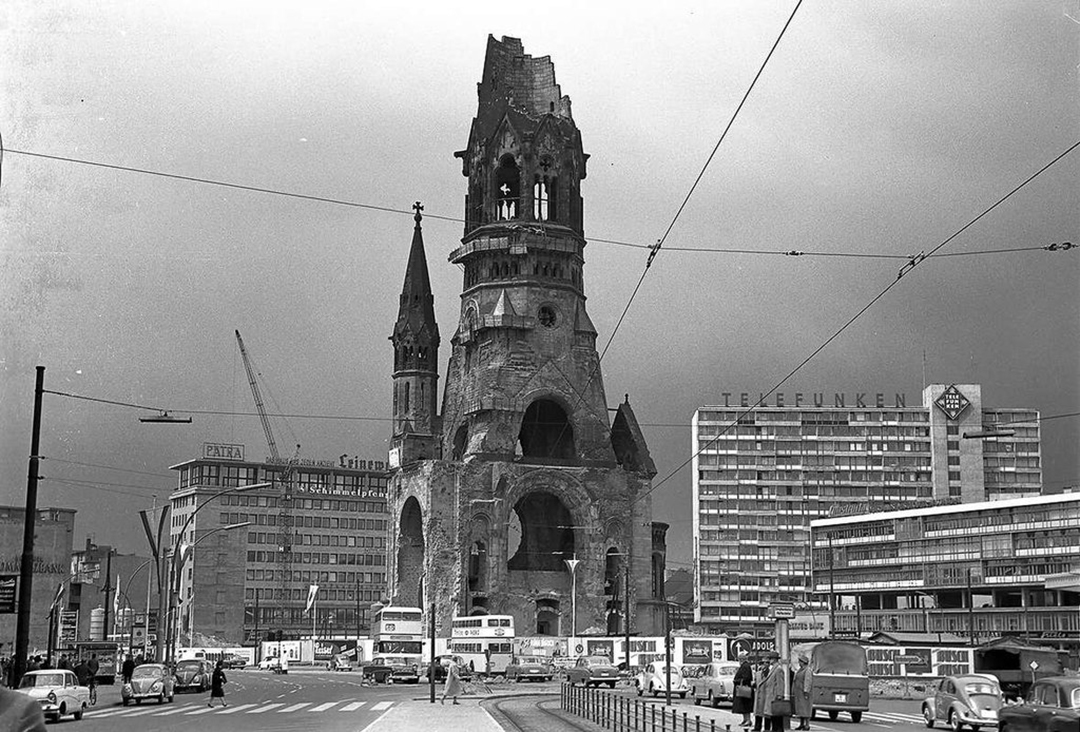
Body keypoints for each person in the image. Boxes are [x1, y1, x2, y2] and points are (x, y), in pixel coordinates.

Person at [733, 651, 755, 728]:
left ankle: (748, 720)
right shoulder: (744, 666)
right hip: (742, 688)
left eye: (739, 659)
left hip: (745, 688)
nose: (739, 661)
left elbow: (746, 678)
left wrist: (737, 681)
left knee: (746, 705)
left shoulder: (745, 666)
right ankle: (745, 719)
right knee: (742, 705)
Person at [753, 658, 772, 732]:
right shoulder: (758, 673)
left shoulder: (770, 673)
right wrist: (753, 684)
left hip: (766, 694)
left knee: (767, 713)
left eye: (767, 663)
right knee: (758, 712)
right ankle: (757, 727)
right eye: (764, 663)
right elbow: (756, 683)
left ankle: (767, 728)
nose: (765, 664)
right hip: (759, 695)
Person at [793, 656, 811, 731]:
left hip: (804, 693)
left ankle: (807, 724)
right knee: (800, 709)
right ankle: (801, 723)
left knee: (806, 709)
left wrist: (806, 691)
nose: (799, 663)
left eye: (800, 661)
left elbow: (808, 681)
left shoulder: (807, 670)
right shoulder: (800, 670)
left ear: (803, 662)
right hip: (799, 693)